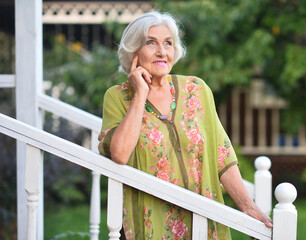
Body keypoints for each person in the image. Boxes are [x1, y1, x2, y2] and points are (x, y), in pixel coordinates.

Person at [98, 11, 272, 240]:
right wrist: (140, 94)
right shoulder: (118, 97)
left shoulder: (197, 90)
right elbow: (119, 154)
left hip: (201, 217)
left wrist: (248, 207)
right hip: (151, 224)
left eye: (168, 43)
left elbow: (222, 155)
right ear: (133, 52)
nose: (162, 51)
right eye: (151, 42)